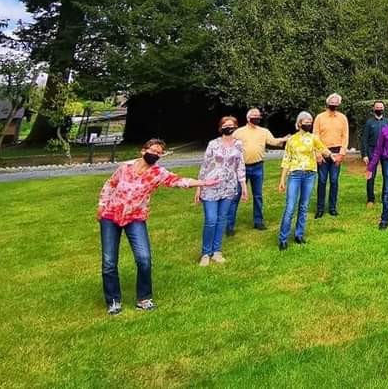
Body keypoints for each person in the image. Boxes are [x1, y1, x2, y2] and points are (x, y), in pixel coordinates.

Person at [97, 139, 218, 315]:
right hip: (110, 216)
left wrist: (202, 183)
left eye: (159, 153)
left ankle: (144, 299)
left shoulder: (158, 173)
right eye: (153, 150)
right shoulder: (125, 167)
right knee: (109, 262)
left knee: (144, 258)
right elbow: (110, 184)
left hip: (135, 218)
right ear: (143, 150)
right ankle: (113, 301)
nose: (155, 154)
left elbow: (177, 181)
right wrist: (102, 205)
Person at [196, 116, 248, 266]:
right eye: (225, 125)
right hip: (211, 186)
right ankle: (206, 253)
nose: (228, 127)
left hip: (229, 187)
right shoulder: (213, 144)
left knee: (221, 219)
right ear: (220, 127)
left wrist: (243, 186)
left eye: (231, 125)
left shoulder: (238, 145)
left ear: (235, 127)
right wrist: (199, 186)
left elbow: (240, 166)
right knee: (211, 220)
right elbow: (205, 166)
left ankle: (217, 251)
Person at [229, 107, 289, 233]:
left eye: (258, 116)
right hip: (241, 168)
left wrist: (283, 139)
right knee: (236, 195)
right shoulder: (238, 132)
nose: (257, 118)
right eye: (254, 115)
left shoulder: (264, 131)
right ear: (248, 117)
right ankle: (229, 225)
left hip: (258, 167)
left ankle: (258, 222)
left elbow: (273, 141)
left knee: (258, 196)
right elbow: (229, 147)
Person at [277, 111, 327, 250]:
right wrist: (282, 180)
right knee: (290, 207)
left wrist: (333, 155)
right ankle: (283, 238)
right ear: (299, 123)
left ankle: (299, 234)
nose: (308, 124)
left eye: (310, 122)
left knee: (304, 206)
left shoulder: (313, 138)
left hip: (310, 174)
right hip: (295, 175)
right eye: (305, 121)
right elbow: (286, 159)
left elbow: (323, 149)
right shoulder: (291, 140)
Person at [313, 94, 349, 218]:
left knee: (334, 180)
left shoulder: (343, 118)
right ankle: (320, 208)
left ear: (339, 104)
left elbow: (345, 136)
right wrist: (318, 154)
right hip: (323, 151)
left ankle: (332, 208)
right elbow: (315, 136)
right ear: (327, 102)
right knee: (322, 180)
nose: (334, 103)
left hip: (337, 151)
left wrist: (342, 154)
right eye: (332, 101)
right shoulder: (319, 117)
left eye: (336, 102)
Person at [361, 101, 388, 207]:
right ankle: (370, 199)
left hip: (385, 152)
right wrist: (364, 154)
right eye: (377, 107)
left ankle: (385, 197)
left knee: (387, 175)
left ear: (384, 109)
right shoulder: (369, 123)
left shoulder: (387, 122)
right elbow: (364, 139)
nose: (379, 108)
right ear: (373, 109)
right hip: (372, 151)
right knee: (370, 176)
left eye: (381, 107)